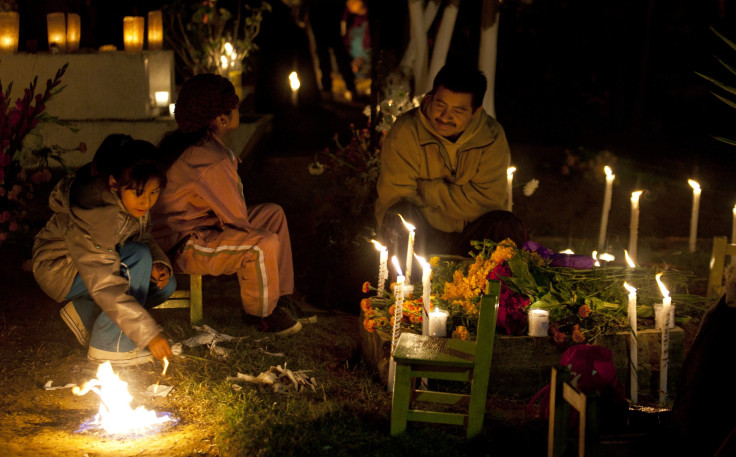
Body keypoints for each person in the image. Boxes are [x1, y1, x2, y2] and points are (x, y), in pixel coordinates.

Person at [152, 73, 305, 337]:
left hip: (198, 227)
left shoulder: (197, 145)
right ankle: (262, 314)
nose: (238, 109)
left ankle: (277, 298)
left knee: (272, 215)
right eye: (235, 105)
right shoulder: (209, 159)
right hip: (182, 245)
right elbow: (237, 221)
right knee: (261, 243)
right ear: (222, 118)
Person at [32, 138, 175, 366]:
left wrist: (159, 263)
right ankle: (110, 346)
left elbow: (143, 234)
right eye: (139, 193)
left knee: (163, 284)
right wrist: (148, 333)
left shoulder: (131, 202)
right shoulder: (94, 212)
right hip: (62, 269)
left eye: (154, 192)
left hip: (99, 267)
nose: (147, 202)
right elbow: (104, 281)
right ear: (114, 183)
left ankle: (84, 313)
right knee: (138, 257)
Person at [375, 63, 526, 265]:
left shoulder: (491, 136)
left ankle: (498, 294)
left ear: (476, 111)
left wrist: (428, 189)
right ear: (431, 97)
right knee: (400, 214)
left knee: (506, 225)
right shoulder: (406, 131)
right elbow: (395, 195)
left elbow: (487, 202)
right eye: (440, 105)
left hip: (473, 234)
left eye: (458, 110)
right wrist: (460, 200)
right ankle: (406, 292)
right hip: (423, 232)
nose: (445, 117)